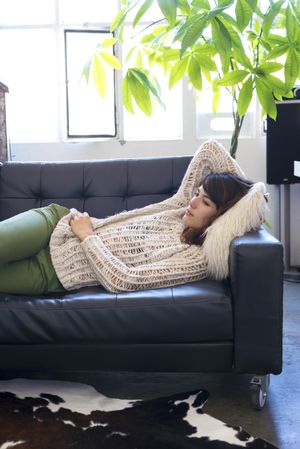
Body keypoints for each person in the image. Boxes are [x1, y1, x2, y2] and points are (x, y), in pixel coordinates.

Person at [0, 140, 268, 295]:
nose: (193, 202)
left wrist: (88, 237)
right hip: (53, 224)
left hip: (52, 272)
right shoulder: (177, 209)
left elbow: (124, 280)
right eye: (197, 193)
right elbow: (210, 150)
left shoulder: (195, 258)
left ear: (220, 217)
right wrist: (250, 197)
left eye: (206, 201)